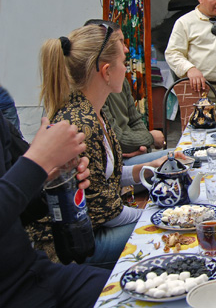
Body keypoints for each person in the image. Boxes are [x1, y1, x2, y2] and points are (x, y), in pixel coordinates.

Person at [29, 25, 173, 269]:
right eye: (124, 61)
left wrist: (150, 167)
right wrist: (158, 215)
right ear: (106, 71)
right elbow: (109, 213)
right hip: (71, 248)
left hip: (90, 229)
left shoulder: (94, 111)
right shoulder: (81, 123)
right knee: (167, 231)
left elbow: (108, 176)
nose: (126, 67)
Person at [1, 114, 110, 307]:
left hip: (35, 274)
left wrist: (53, 181)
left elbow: (23, 210)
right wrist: (37, 163)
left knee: (142, 293)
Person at [84, 20, 168, 165]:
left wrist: (143, 147)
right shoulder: (93, 94)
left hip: (128, 156)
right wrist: (150, 138)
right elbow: (118, 140)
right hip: (118, 163)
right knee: (178, 158)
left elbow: (135, 120)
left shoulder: (120, 81)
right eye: (120, 43)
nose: (126, 49)